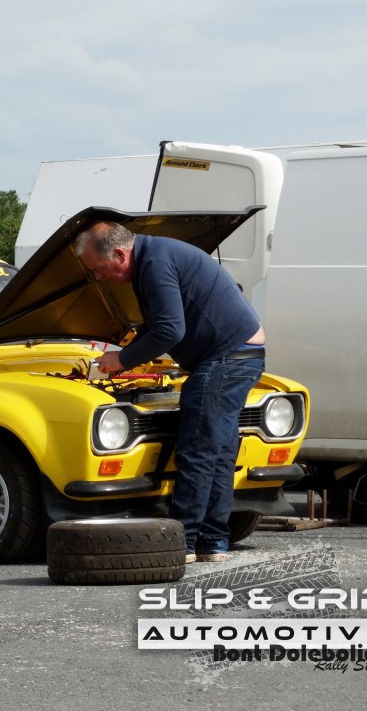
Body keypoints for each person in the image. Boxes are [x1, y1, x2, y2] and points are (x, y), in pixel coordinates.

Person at [74, 221, 266, 564]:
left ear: (119, 254)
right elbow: (158, 323)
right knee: (218, 451)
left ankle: (181, 542)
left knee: (197, 449)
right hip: (240, 355)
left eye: (99, 269)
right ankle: (212, 542)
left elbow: (170, 329)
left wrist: (122, 360)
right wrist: (127, 348)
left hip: (226, 358)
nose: (100, 278)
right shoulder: (155, 256)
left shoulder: (154, 262)